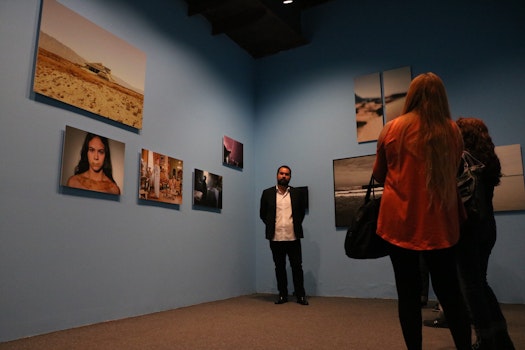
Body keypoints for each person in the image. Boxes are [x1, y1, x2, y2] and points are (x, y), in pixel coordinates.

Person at [372, 72, 471, 350]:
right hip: (440, 224)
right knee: (450, 292)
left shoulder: (392, 129)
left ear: (411, 95)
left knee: (407, 294)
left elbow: (379, 175)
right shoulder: (452, 131)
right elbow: (453, 172)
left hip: (399, 223)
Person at [454, 117, 515, 349]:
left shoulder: (462, 160)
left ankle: (486, 339)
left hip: (468, 228)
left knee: (470, 285)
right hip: (488, 228)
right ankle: (501, 336)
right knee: (479, 281)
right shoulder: (489, 161)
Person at [260, 165, 308, 305]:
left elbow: (301, 214)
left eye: (286, 174)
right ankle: (283, 295)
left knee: (297, 267)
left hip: (293, 237)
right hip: (275, 237)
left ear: (290, 177)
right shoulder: (267, 193)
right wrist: (272, 226)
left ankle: (300, 295)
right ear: (277, 175)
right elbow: (263, 214)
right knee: (279, 267)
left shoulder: (297, 193)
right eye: (281, 173)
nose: (283, 176)